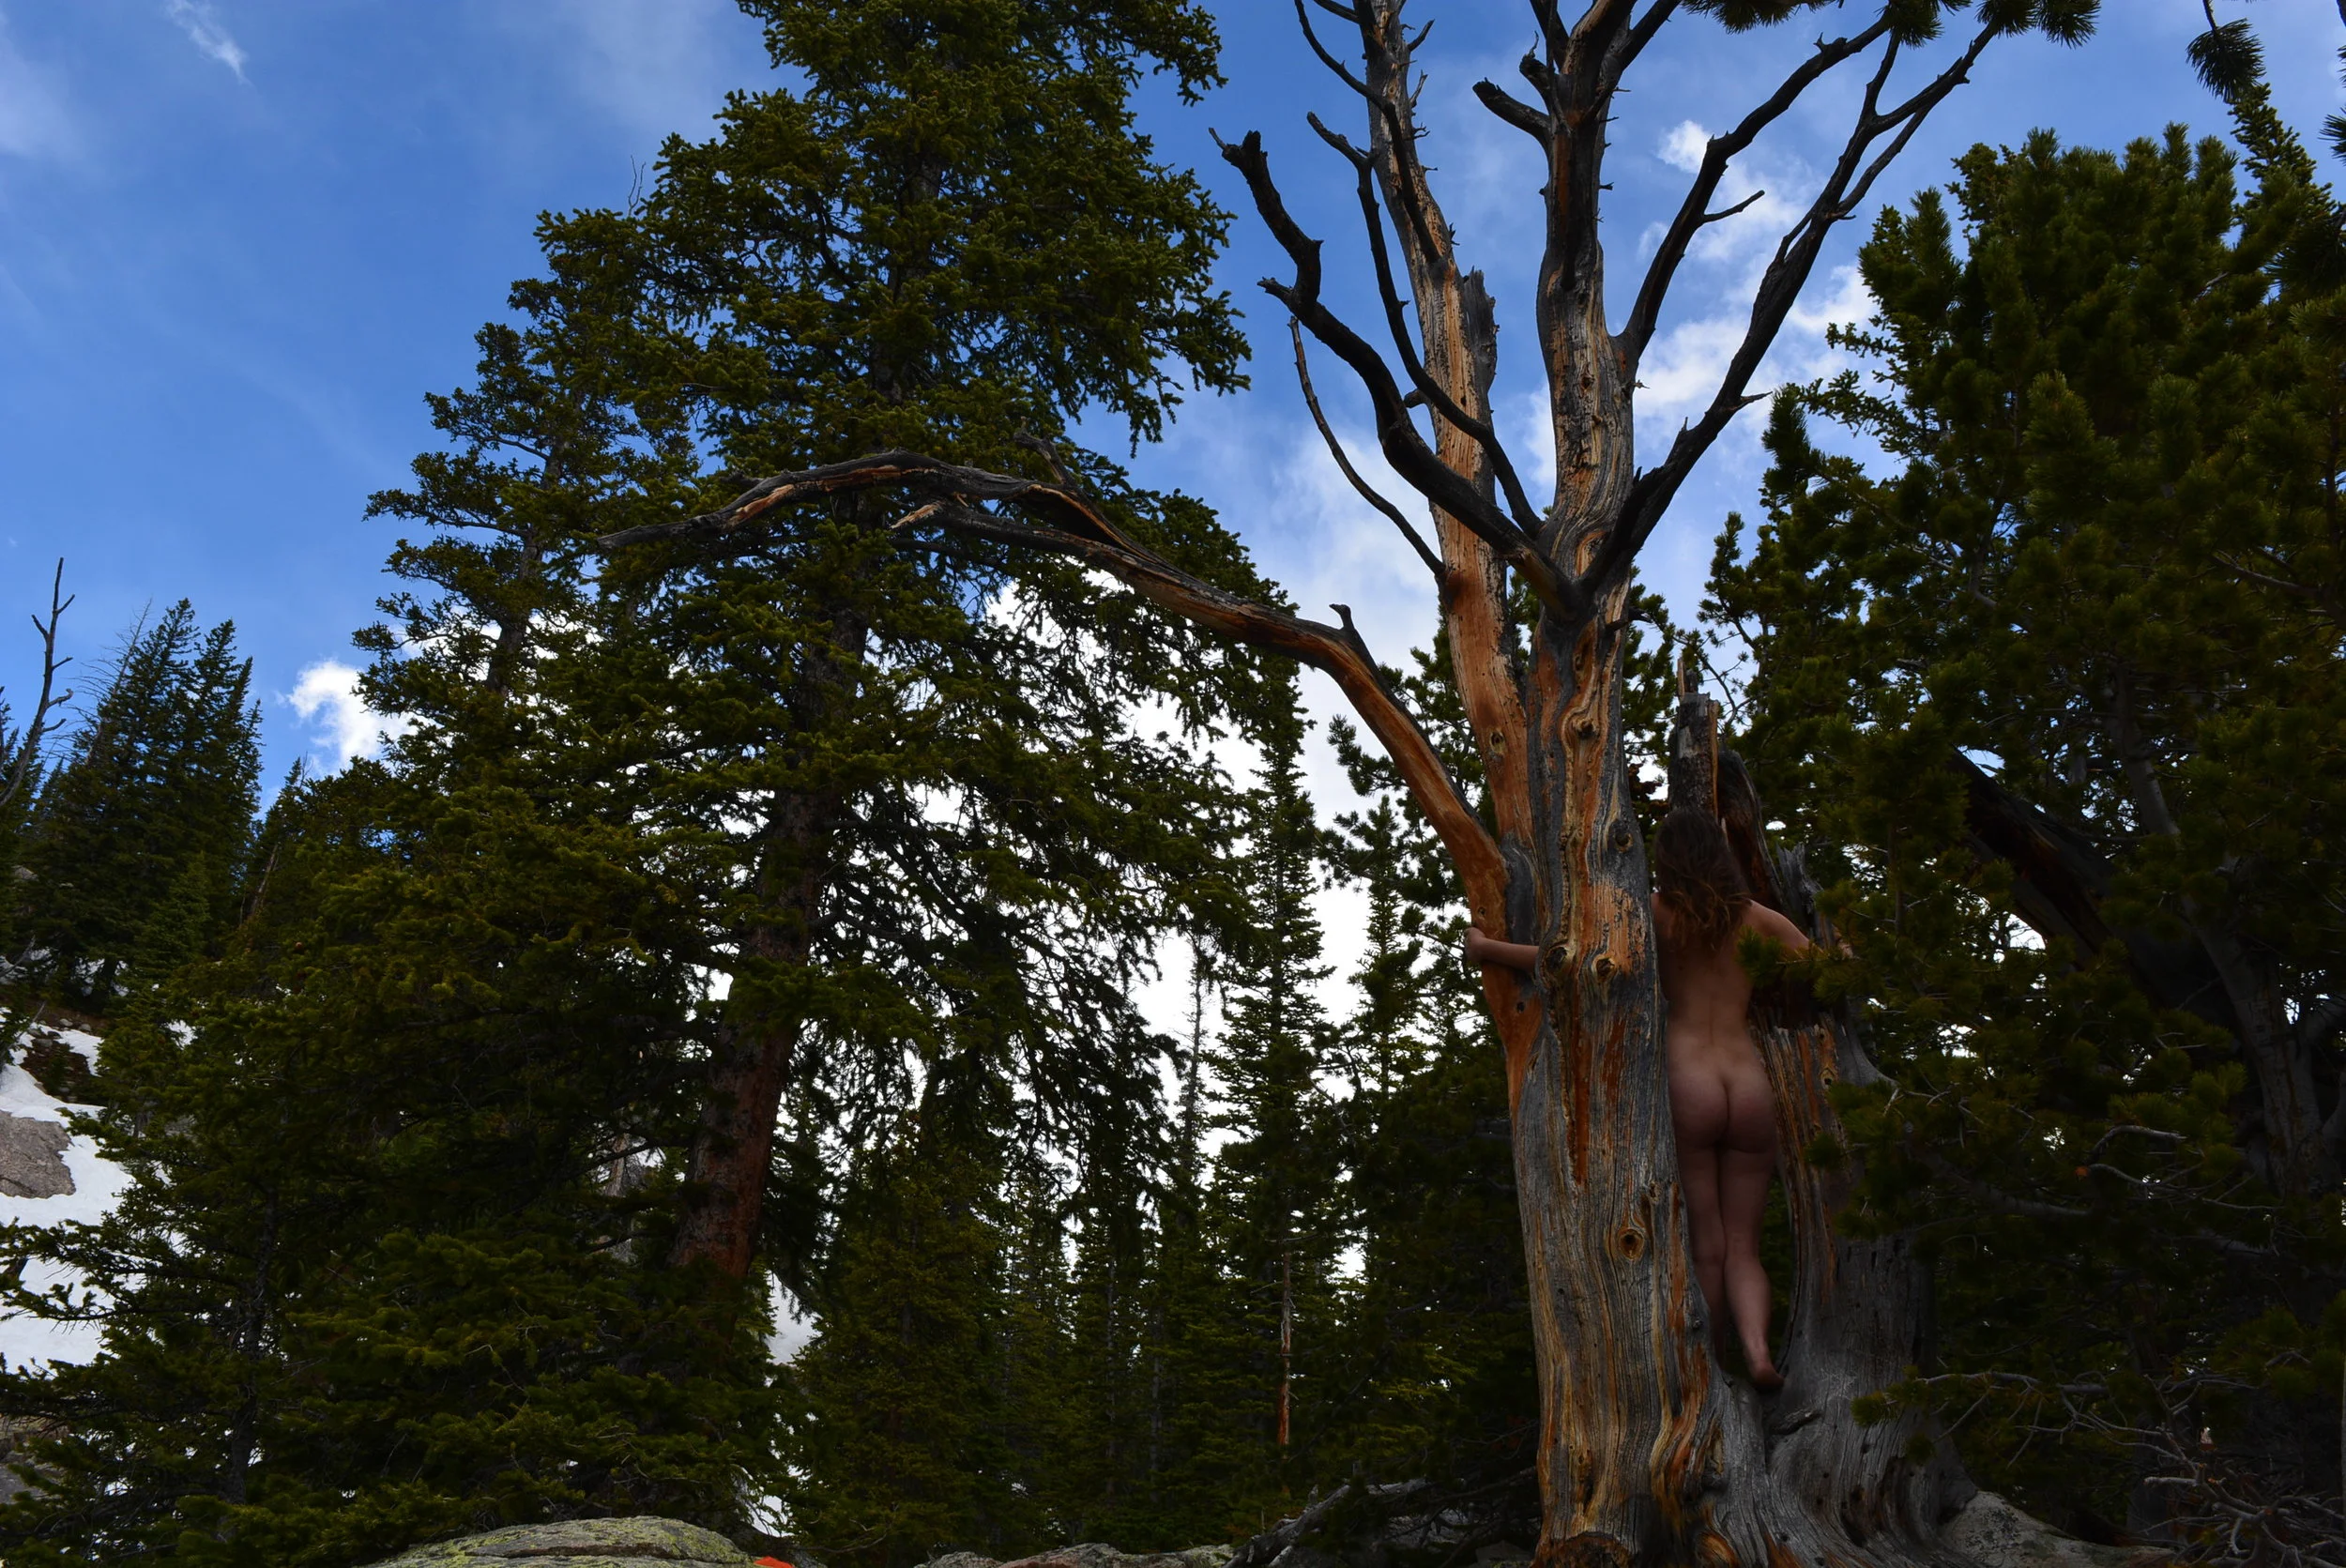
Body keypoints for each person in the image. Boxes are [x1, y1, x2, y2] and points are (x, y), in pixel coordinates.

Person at [1465, 809, 1806, 1391]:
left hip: (1688, 1080)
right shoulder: (1758, 921)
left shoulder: (1652, 913)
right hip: (1749, 1083)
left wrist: (1487, 947)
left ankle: (1716, 1364)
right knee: (1745, 1242)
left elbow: (1567, 959)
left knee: (1707, 1241)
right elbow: (1829, 970)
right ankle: (1757, 1353)